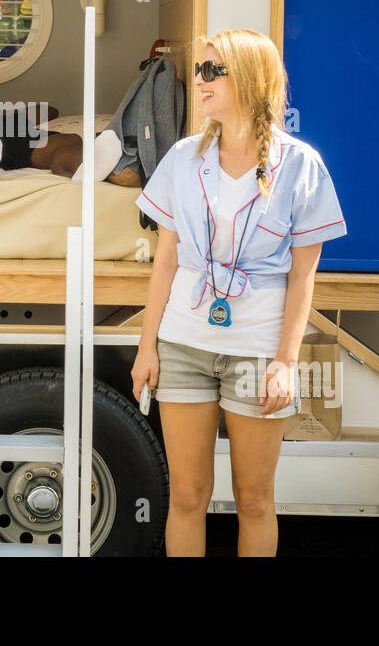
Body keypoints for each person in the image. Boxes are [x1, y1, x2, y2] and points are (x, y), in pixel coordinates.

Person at [128, 29, 346, 557]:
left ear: (249, 80)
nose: (197, 82)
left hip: (257, 351)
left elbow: (303, 277)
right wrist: (146, 346)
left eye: (210, 71)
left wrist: (286, 361)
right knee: (186, 496)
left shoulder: (300, 164)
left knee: (253, 499)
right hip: (183, 345)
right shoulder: (182, 159)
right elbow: (165, 263)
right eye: (198, 69)